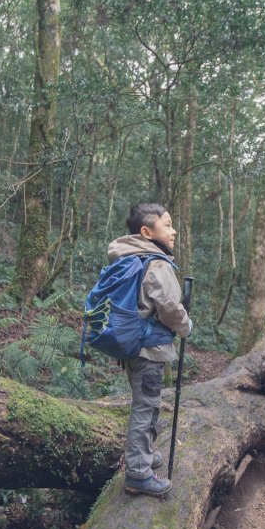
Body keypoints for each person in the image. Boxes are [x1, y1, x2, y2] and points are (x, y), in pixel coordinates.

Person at [107, 203, 192, 497]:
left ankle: (145, 453)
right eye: (167, 225)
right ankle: (139, 473)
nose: (173, 230)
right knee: (146, 408)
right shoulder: (156, 263)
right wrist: (185, 326)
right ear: (147, 232)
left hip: (132, 348)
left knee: (145, 404)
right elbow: (169, 308)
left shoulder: (129, 257)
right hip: (150, 351)